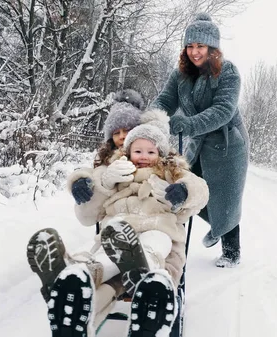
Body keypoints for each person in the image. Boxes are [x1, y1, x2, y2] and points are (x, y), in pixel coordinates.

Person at [27, 107, 209, 337]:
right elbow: (89, 194)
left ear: (161, 153)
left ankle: (145, 274)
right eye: (137, 150)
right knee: (108, 255)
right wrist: (90, 183)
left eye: (151, 151)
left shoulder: (171, 171)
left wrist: (182, 191)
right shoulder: (114, 168)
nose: (143, 156)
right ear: (127, 151)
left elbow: (200, 190)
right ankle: (78, 287)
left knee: (151, 244)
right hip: (117, 236)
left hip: (157, 229)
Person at [151, 12, 249, 268]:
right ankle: (171, 250)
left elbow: (223, 110)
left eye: (201, 46)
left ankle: (231, 252)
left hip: (228, 144)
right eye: (191, 46)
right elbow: (164, 101)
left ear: (212, 48)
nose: (195, 52)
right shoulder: (180, 75)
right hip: (198, 142)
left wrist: (189, 124)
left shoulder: (228, 73)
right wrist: (153, 121)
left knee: (225, 199)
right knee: (183, 190)